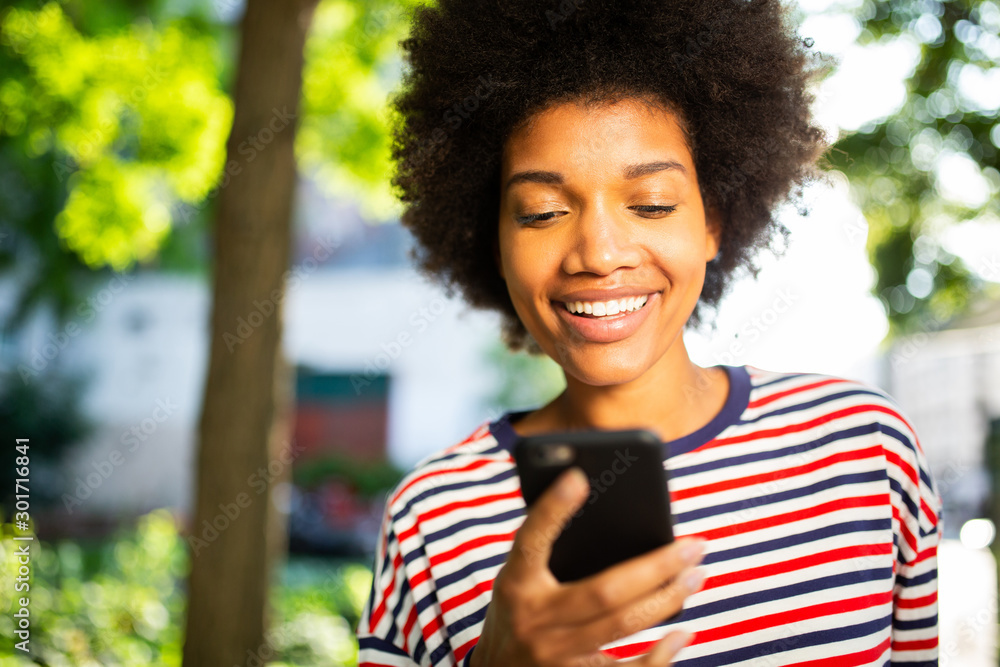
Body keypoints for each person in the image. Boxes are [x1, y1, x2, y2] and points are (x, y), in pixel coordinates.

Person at [357, 0, 941, 665]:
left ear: (713, 221)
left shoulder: (863, 447)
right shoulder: (433, 517)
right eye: (542, 211)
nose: (600, 253)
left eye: (652, 203)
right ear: (492, 240)